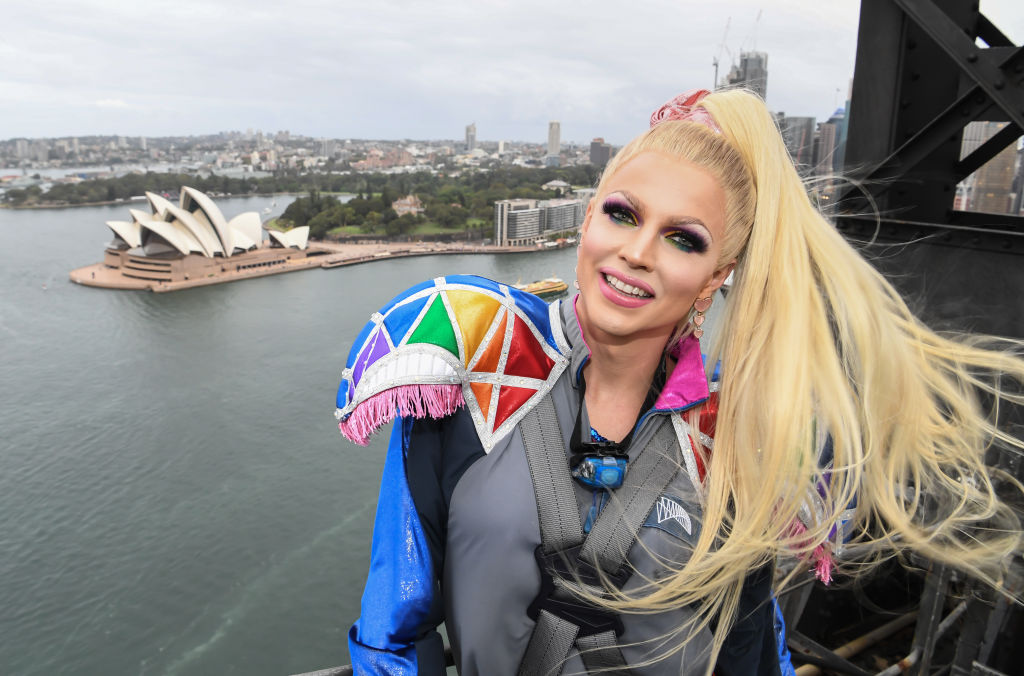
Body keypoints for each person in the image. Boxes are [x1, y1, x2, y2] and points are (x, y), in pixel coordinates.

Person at [334, 88, 1024, 676]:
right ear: (588, 216)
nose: (636, 253)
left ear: (716, 276)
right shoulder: (478, 365)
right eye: (623, 214)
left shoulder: (747, 434)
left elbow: (750, 646)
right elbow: (394, 622)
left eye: (683, 238)